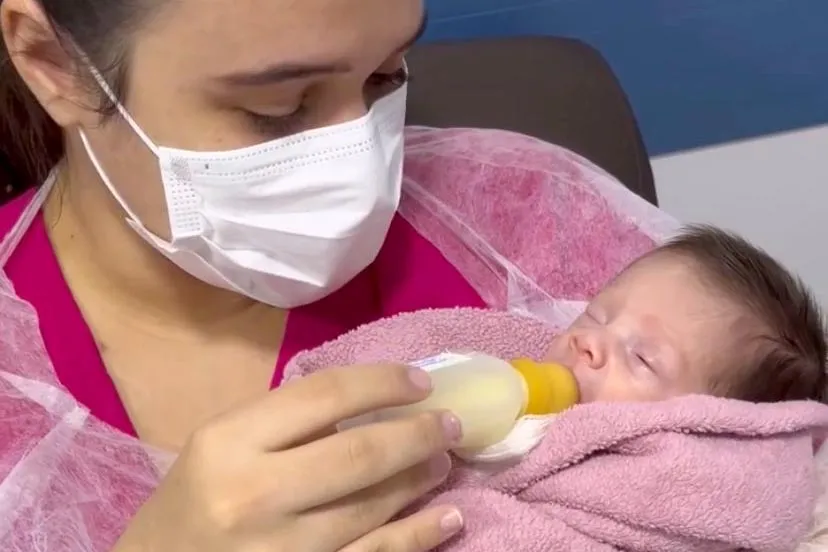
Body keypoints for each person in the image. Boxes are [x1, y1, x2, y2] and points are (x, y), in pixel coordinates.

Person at [0, 0, 482, 550]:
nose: (361, 168)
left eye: (386, 74)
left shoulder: (528, 222)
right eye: (277, 107)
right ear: (53, 63)